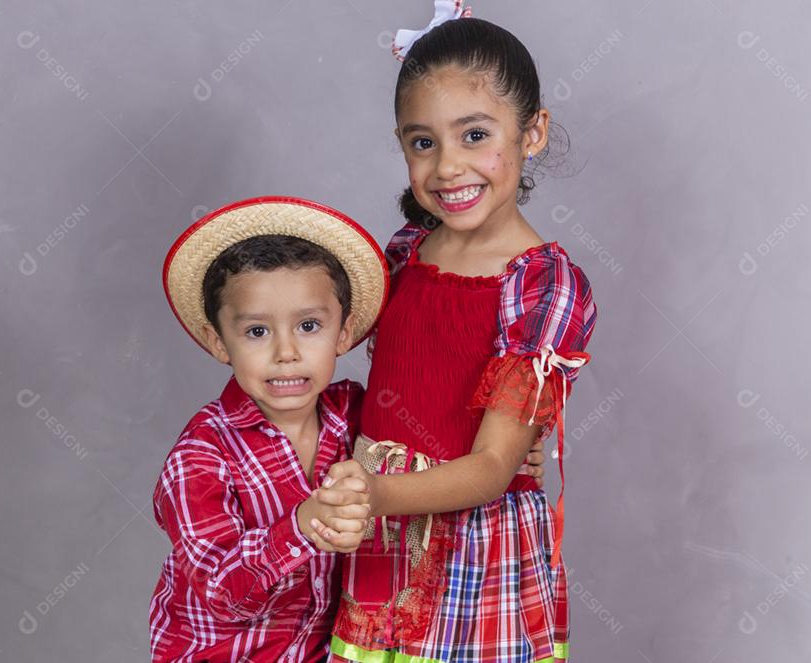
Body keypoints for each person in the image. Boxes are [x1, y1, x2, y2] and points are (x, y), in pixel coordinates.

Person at [312, 6, 599, 662]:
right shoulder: (404, 251)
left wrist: (377, 492)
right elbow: (333, 351)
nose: (447, 166)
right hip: (378, 537)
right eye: (423, 142)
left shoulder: (543, 285)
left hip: (472, 548)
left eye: (474, 135)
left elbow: (493, 467)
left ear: (533, 132)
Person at [148, 196, 389, 661]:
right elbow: (221, 593)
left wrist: (519, 454)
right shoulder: (201, 455)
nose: (286, 353)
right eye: (257, 332)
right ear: (220, 342)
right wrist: (302, 525)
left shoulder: (355, 414)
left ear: (343, 332)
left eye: (309, 326)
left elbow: (423, 453)